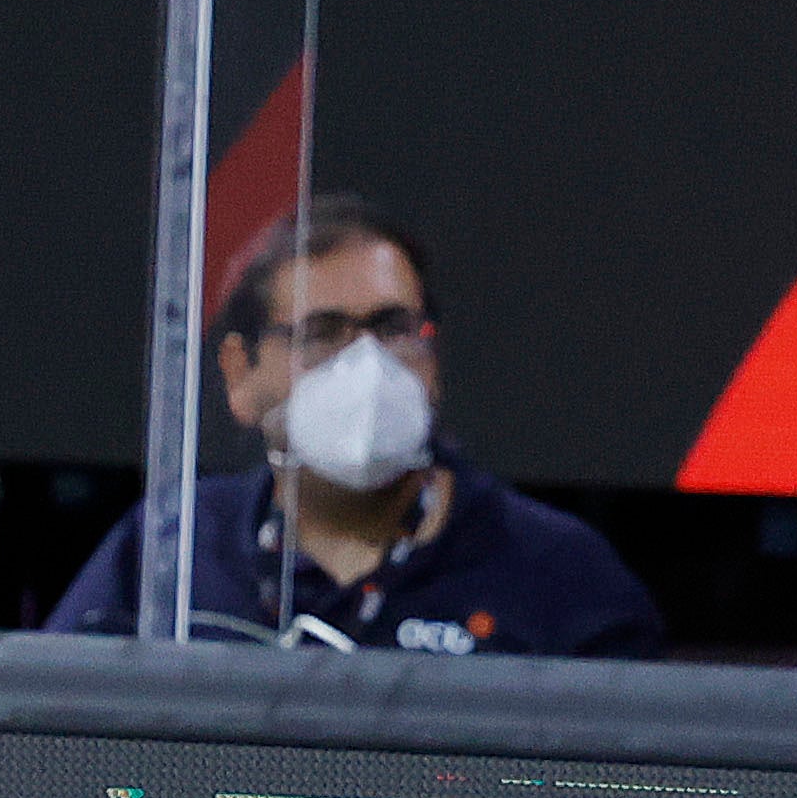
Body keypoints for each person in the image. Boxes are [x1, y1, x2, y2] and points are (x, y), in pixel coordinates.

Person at [40, 192, 665, 658]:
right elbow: (49, 744)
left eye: (394, 328)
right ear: (241, 374)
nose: (367, 366)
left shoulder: (560, 571)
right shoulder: (169, 549)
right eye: (321, 334)